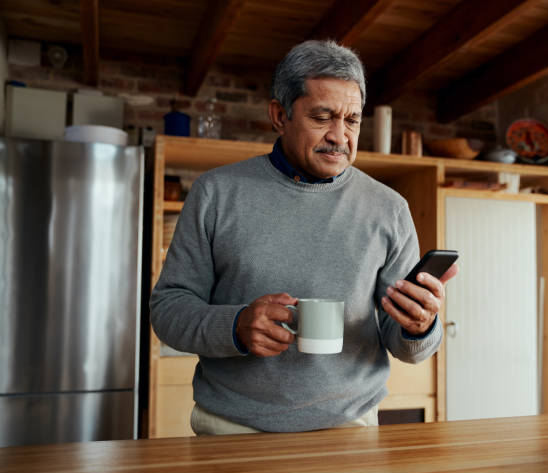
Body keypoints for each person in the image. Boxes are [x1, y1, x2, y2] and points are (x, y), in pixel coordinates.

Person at [150, 39, 458, 435]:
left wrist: (421, 326)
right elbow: (169, 310)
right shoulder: (215, 193)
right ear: (280, 115)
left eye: (351, 120)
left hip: (351, 427)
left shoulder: (389, 208)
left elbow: (407, 348)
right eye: (322, 117)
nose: (339, 136)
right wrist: (236, 326)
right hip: (231, 428)